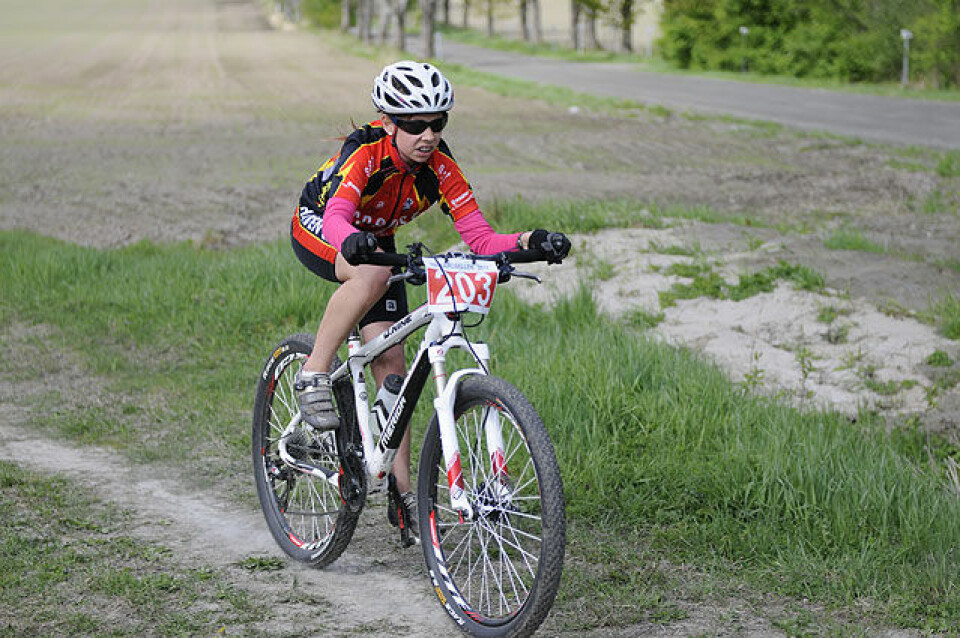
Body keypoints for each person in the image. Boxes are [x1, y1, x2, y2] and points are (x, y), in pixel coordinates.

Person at [289, 60, 570, 539]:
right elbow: (337, 213)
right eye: (416, 125)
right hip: (323, 225)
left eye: (438, 123)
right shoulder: (366, 151)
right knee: (373, 269)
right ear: (391, 122)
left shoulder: (440, 166)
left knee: (392, 368)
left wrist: (531, 240)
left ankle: (401, 497)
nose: (429, 135)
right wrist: (350, 241)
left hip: (377, 244)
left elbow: (480, 237)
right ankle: (314, 371)